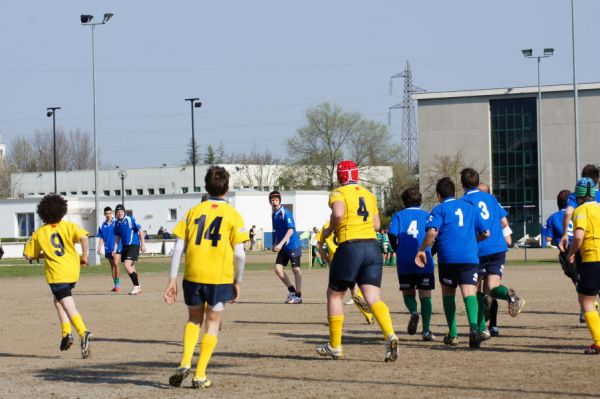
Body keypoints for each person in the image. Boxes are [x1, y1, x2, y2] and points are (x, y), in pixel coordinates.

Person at [165, 166, 249, 388]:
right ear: (227, 188)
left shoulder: (192, 212)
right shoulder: (233, 215)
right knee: (212, 324)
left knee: (194, 319)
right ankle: (199, 374)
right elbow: (240, 255)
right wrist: (237, 281)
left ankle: (184, 362)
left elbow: (177, 248)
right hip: (218, 278)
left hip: (192, 275)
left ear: (205, 187)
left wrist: (172, 280)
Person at [316, 160, 399, 362]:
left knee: (334, 295)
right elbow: (377, 225)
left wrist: (329, 230)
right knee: (373, 297)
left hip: (350, 246)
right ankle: (390, 334)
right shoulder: (369, 194)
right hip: (372, 247)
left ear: (340, 176)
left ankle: (335, 345)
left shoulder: (338, 193)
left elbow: (337, 214)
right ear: (356, 175)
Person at [415, 177, 490, 348]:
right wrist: (472, 240)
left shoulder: (439, 209)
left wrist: (421, 250)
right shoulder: (470, 208)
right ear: (455, 193)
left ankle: (454, 335)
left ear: (438, 195)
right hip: (470, 257)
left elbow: (432, 232)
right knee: (469, 293)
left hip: (448, 257)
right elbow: (485, 233)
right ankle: (473, 329)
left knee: (449, 293)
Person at [23, 194, 93, 358]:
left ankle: (83, 332)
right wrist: (84, 256)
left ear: (43, 213)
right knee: (58, 300)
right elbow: (83, 237)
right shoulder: (69, 226)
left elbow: (28, 255)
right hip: (72, 270)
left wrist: (40, 252)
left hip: (57, 273)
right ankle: (66, 333)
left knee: (67, 304)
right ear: (62, 210)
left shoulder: (40, 232)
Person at [460, 169, 524, 341]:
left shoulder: (464, 202)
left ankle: (480, 328)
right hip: (497, 248)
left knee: (474, 291)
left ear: (463, 184)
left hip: (478, 250)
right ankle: (509, 295)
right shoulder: (492, 199)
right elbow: (504, 221)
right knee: (492, 288)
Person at [388, 187, 436, 341]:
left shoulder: (399, 216)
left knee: (408, 292)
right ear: (420, 200)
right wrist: (430, 252)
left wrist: (397, 249)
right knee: (425, 294)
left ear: (404, 201)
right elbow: (434, 234)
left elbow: (391, 234)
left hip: (405, 259)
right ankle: (426, 330)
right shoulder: (428, 215)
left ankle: (414, 311)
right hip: (424, 257)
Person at [316, 221, 373, 325]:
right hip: (350, 258)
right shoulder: (346, 222)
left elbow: (318, 245)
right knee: (354, 289)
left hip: (336, 262)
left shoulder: (326, 226)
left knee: (333, 295)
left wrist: (327, 260)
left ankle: (333, 319)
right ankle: (369, 316)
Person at [567, 178, 600, 354]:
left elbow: (578, 236)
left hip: (593, 258)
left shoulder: (581, 210)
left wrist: (572, 253)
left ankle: (598, 342)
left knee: (586, 299)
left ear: (578, 194)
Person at [269, 190, 303, 304]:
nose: (274, 202)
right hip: (283, 246)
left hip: (293, 245)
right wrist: (275, 243)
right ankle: (292, 291)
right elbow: (277, 231)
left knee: (296, 269)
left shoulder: (285, 212)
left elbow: (290, 230)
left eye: (276, 200)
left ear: (280, 201)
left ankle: (298, 295)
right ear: (270, 201)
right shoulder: (273, 214)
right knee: (278, 270)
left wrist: (280, 244)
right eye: (272, 200)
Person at [559, 164, 600, 253]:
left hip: (584, 241)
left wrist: (564, 233)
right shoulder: (598, 194)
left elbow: (568, 213)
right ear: (597, 180)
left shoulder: (576, 195)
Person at [112, 204, 146, 295]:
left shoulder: (130, 219)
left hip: (134, 245)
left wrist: (143, 245)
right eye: (118, 212)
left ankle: (136, 286)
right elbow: (117, 237)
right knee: (132, 267)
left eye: (121, 211)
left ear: (124, 212)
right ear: (116, 213)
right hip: (125, 247)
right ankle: (138, 286)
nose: (120, 213)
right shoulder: (116, 223)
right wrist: (115, 249)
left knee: (127, 265)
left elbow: (141, 231)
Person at [96, 206, 122, 292]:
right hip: (108, 249)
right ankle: (115, 285)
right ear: (104, 214)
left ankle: (118, 284)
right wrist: (99, 248)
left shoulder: (117, 223)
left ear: (112, 213)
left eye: (110, 213)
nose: (108, 215)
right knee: (112, 267)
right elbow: (102, 237)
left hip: (117, 247)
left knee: (116, 263)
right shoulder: (102, 225)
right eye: (106, 213)